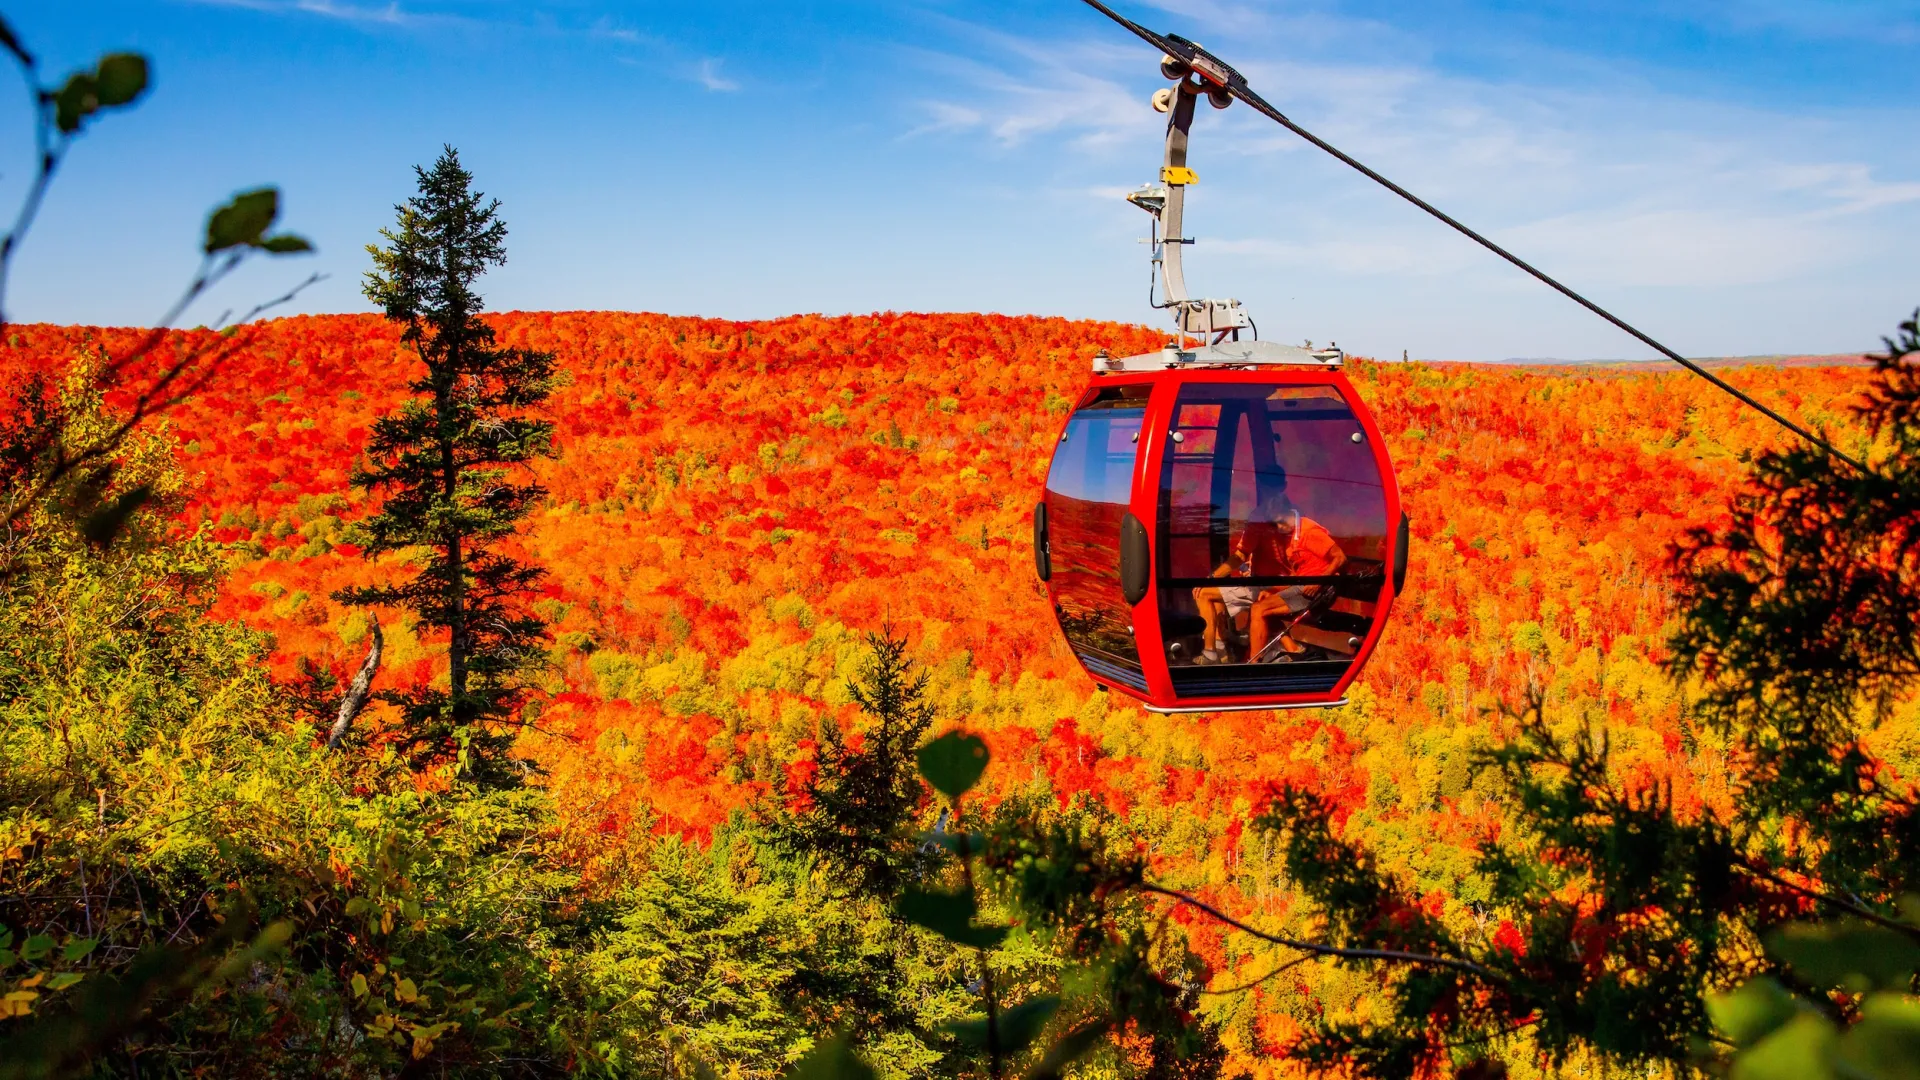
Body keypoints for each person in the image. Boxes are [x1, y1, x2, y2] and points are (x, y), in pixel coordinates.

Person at [1244, 488, 1346, 661]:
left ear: (1289, 513)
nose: (1279, 528)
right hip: (1301, 584)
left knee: (1259, 609)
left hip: (1317, 589)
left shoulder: (1309, 531)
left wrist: (1319, 582)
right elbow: (1296, 573)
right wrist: (1274, 589)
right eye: (1275, 524)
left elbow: (1340, 557)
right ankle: (1293, 649)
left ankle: (1253, 662)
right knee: (1260, 602)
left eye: (1281, 522)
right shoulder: (1290, 534)